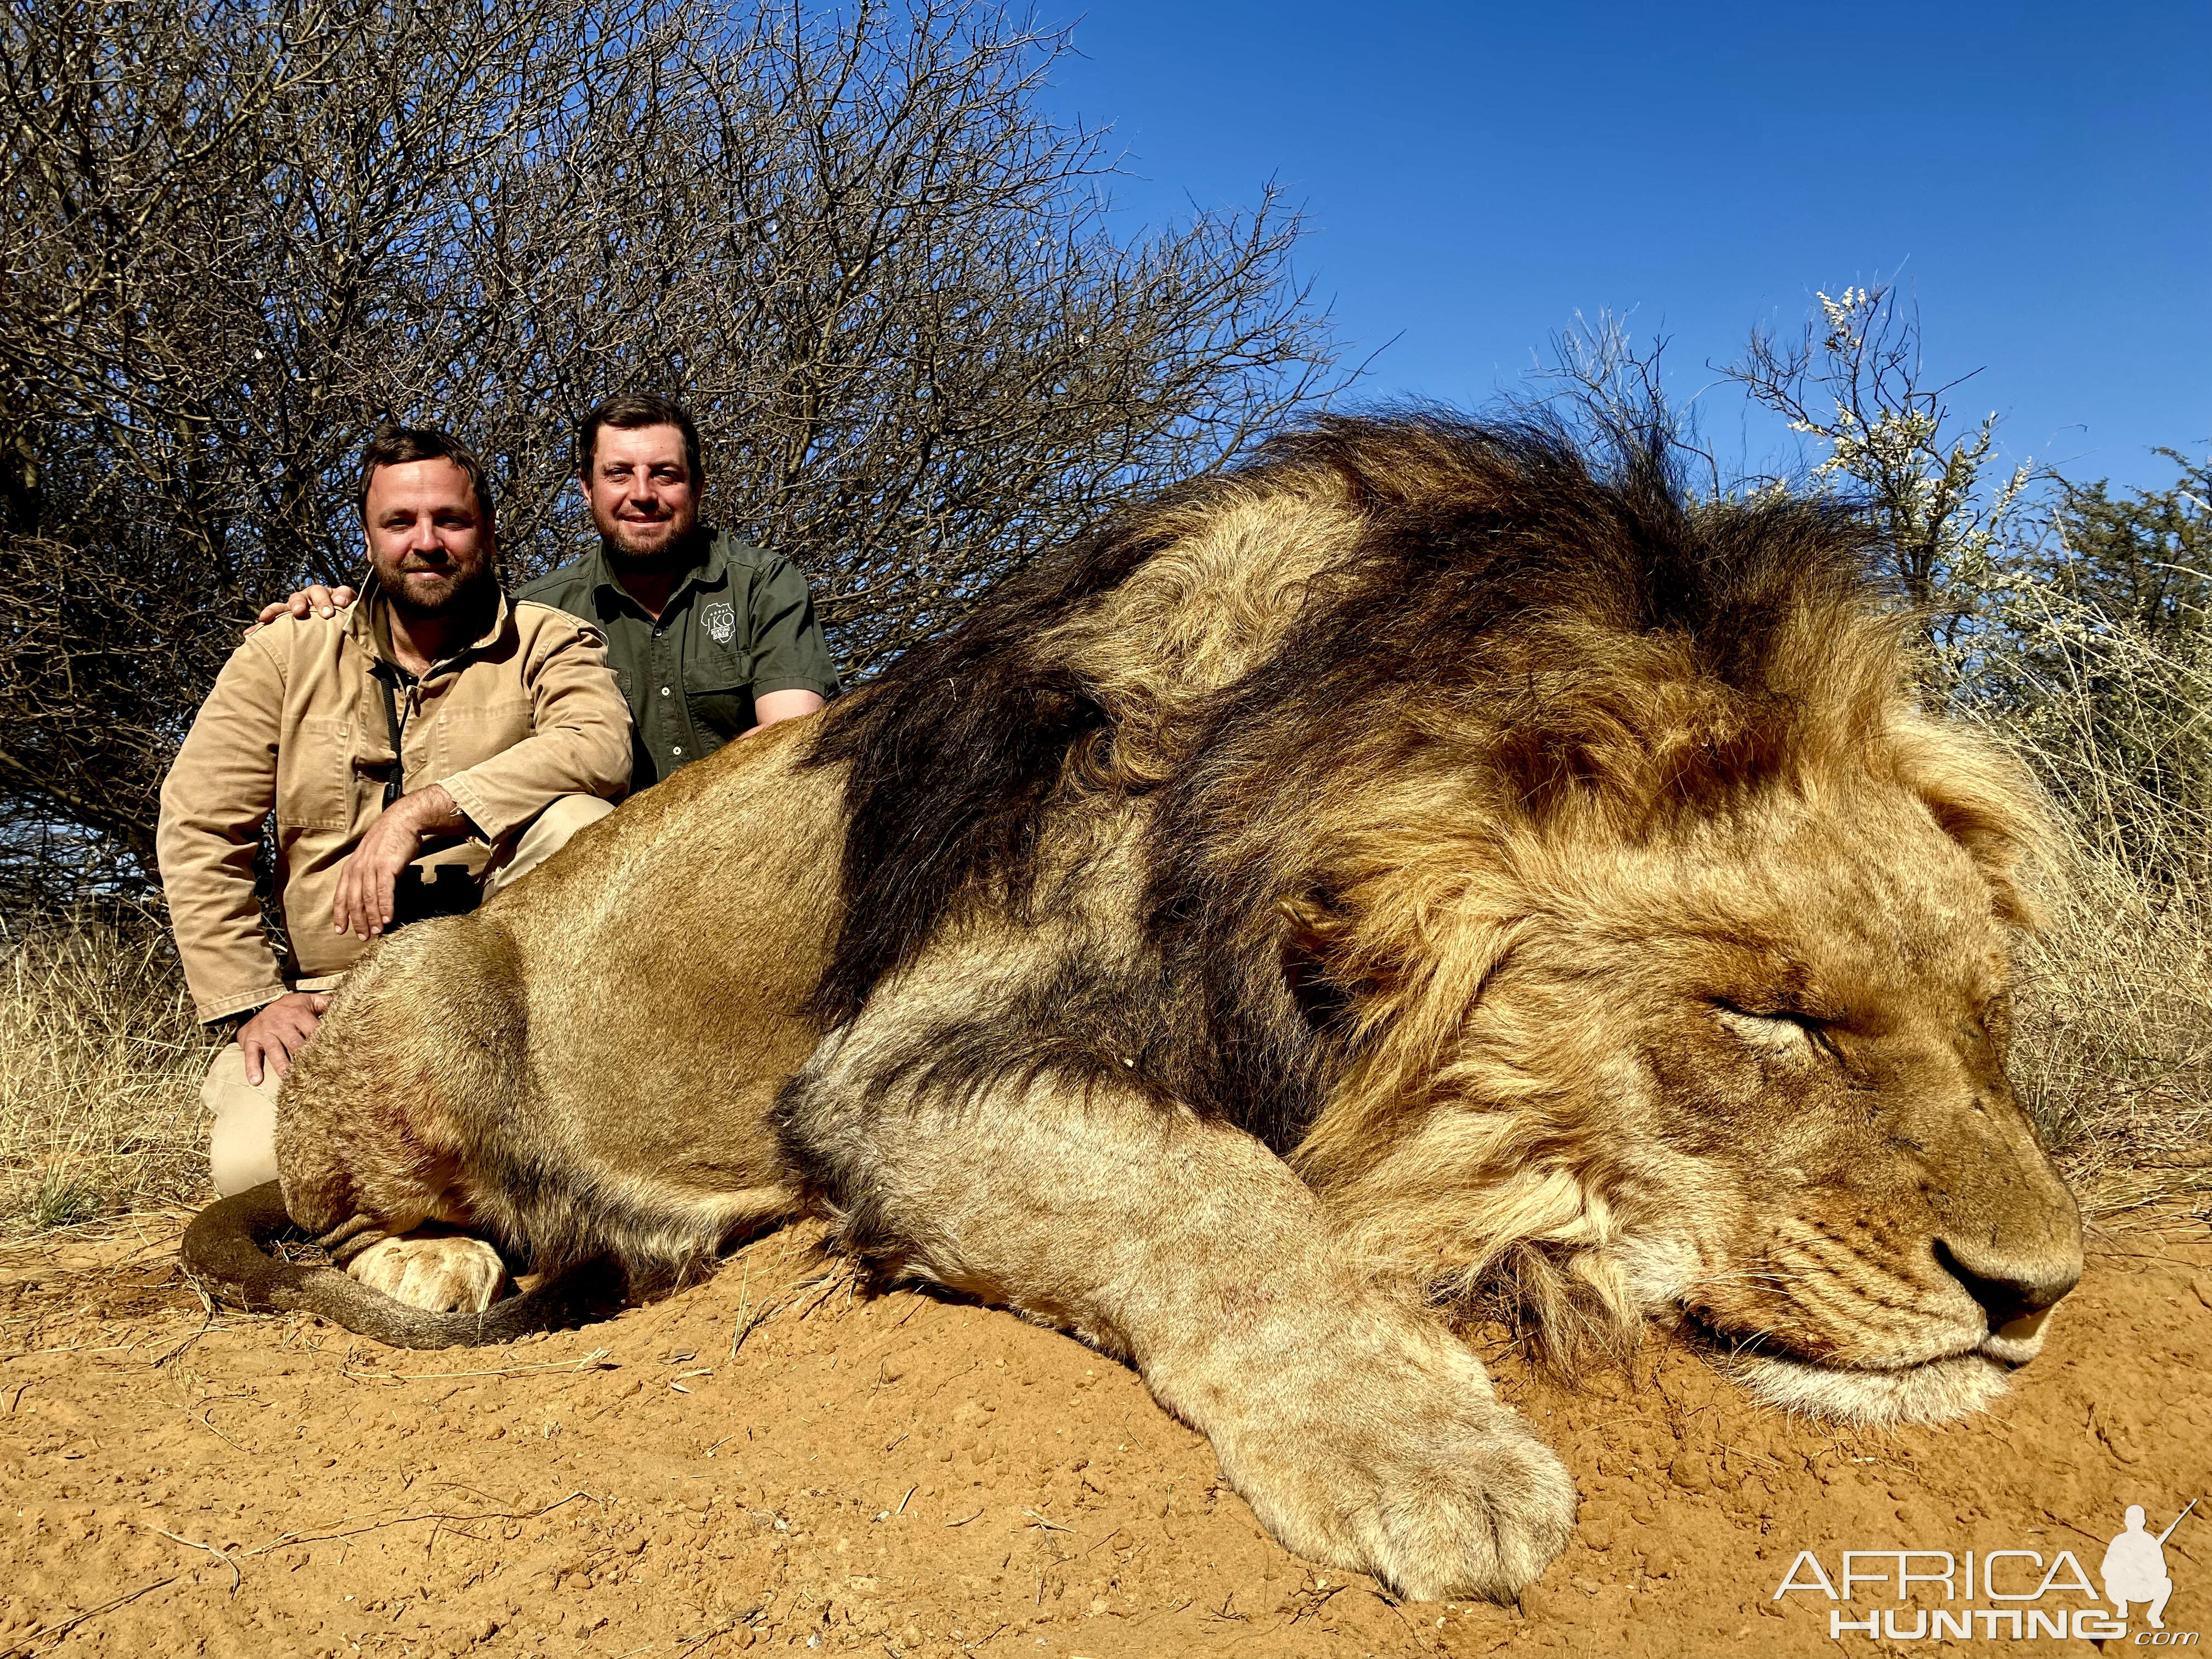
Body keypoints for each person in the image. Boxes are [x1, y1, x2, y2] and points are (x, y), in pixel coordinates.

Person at [159, 426, 634, 1197]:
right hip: (331, 997)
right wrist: (255, 1000)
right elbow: (198, 824)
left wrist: (423, 811)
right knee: (255, 1181)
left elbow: (600, 747)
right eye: (401, 523)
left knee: (577, 818)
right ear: (370, 535)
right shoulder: (285, 652)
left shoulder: (548, 640)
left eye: (451, 521)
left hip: (498, 997)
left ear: (487, 529)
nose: (428, 542)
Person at [255, 393, 839, 791]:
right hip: (598, 874)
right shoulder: (537, 611)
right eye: (618, 474)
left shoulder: (764, 584)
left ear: (698, 486)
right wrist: (332, 611)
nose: (642, 494)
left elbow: (790, 740)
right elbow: (424, 638)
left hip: (742, 843)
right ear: (586, 489)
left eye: (664, 473)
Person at [2102, 1504, 2177, 1629]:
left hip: (2144, 1590)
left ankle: (2154, 1615)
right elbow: (2106, 1570)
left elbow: (2162, 1571)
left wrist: (2145, 1569)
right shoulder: (2119, 1541)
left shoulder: (2150, 1542)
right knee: (2110, 1582)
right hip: (2123, 1589)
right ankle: (2122, 1606)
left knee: (2166, 1583)